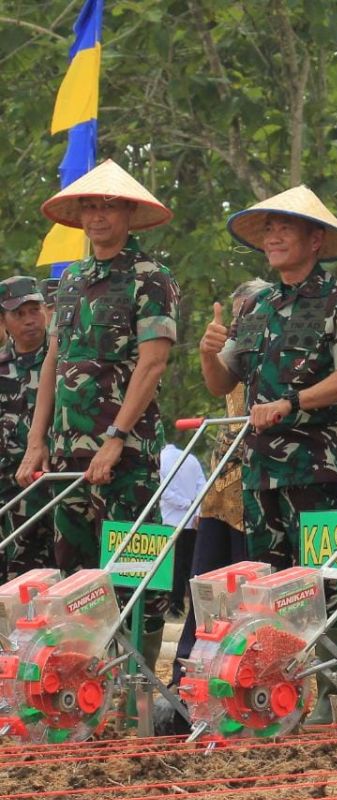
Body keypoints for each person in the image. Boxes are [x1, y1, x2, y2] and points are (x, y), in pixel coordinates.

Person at [200, 186, 337, 722]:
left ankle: (328, 691)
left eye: (285, 228)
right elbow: (220, 382)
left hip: (316, 465)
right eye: (267, 229)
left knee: (318, 579)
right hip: (258, 470)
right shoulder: (255, 305)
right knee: (265, 583)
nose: (273, 237)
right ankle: (278, 688)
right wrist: (208, 352)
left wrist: (292, 402)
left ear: (315, 238)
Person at [18, 160, 179, 668]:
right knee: (74, 571)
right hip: (67, 456)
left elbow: (152, 362)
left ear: (129, 213)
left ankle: (138, 689)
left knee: (133, 570)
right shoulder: (69, 282)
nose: (97, 217)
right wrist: (36, 440)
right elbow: (52, 362)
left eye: (108, 206)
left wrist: (116, 437)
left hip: (125, 453)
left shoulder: (152, 278)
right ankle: (82, 682)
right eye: (89, 206)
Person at [170, 278, 267, 687]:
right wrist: (209, 352)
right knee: (206, 588)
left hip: (259, 491)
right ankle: (188, 673)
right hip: (220, 491)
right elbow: (217, 382)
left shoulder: (276, 355)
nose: (244, 319)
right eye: (240, 312)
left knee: (251, 592)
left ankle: (244, 674)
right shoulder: (232, 355)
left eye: (252, 310)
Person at [0, 277, 53, 580]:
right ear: (4, 320)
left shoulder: (66, 361)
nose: (30, 320)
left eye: (35, 310)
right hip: (9, 496)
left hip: (57, 490)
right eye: (19, 314)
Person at [158, 440, 206, 617]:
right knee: (192, 566)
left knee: (174, 567)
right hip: (192, 522)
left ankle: (175, 606)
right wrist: (197, 510)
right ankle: (196, 608)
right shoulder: (191, 459)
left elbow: (163, 491)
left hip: (170, 521)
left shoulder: (160, 459)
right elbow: (203, 486)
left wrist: (186, 504)